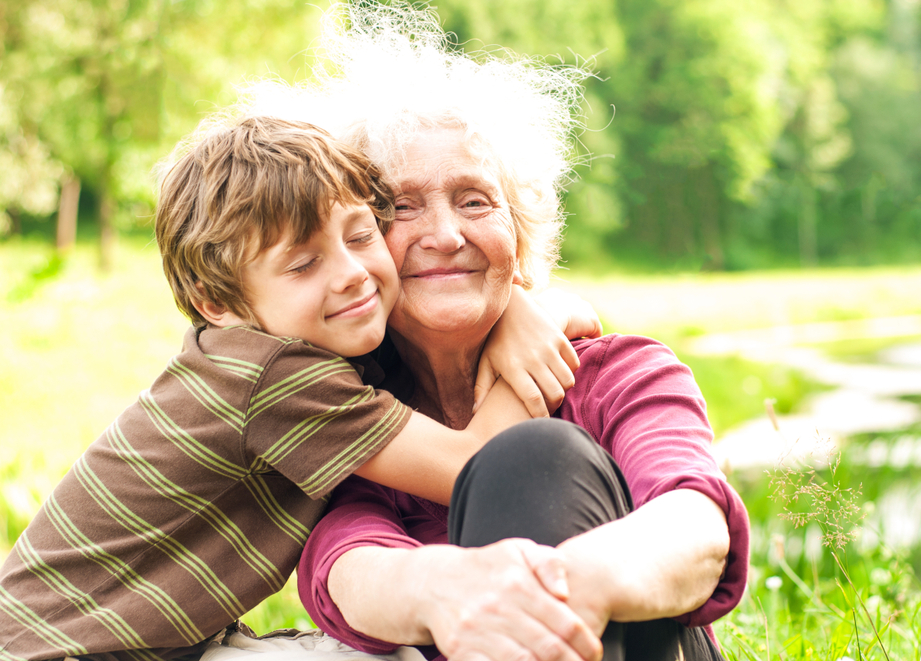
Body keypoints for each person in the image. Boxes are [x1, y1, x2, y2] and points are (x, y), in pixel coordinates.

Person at [244, 4, 751, 660]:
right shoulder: (357, 419)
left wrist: (551, 592)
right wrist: (448, 591)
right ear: (356, 245)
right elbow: (348, 569)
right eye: (401, 206)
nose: (447, 236)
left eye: (475, 200)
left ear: (521, 231)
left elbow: (696, 527)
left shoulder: (622, 373)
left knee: (536, 459)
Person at [0, 115, 593, 661]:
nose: (353, 273)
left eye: (361, 237)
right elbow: (476, 465)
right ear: (218, 304)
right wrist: (545, 321)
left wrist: (514, 304)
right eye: (303, 264)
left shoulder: (294, 344)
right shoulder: (274, 377)